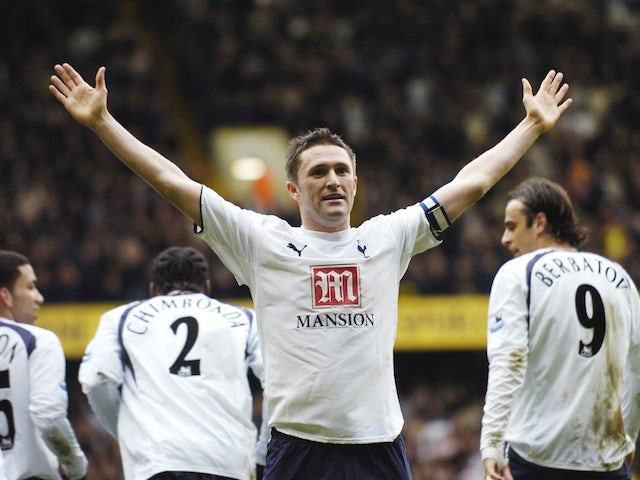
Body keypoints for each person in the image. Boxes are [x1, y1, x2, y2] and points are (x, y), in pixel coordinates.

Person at [49, 62, 571, 479]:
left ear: (356, 183)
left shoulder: (387, 237)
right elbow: (171, 181)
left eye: (342, 170)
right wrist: (102, 123)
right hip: (297, 449)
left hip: (378, 446)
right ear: (295, 190)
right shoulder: (262, 240)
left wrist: (530, 126)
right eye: (318, 172)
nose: (333, 180)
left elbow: (472, 184)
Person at [480, 177, 640, 480]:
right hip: (607, 462)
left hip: (537, 459)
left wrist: (491, 444)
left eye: (512, 226)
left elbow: (507, 362)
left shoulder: (517, 274)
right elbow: (636, 371)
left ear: (539, 222)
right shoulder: (620, 279)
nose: (504, 238)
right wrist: (627, 438)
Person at [78, 246, 268, 480]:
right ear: (207, 287)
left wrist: (125, 429)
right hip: (229, 461)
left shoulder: (120, 318)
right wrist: (262, 454)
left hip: (157, 460)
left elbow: (96, 380)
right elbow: (278, 383)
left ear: (153, 290)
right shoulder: (245, 318)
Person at [0, 250, 88, 480]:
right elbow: (48, 417)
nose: (39, 297)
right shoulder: (37, 341)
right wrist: (76, 466)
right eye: (30, 287)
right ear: (5, 296)